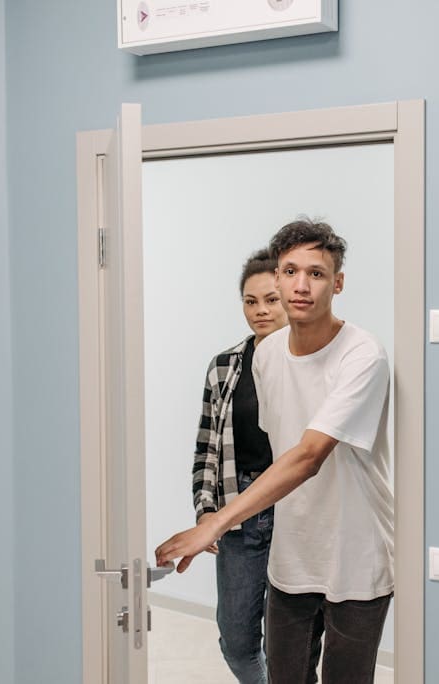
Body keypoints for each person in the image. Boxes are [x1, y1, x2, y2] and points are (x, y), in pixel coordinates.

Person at [158, 218, 394, 684]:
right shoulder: (265, 357)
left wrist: (215, 524)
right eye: (290, 271)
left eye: (316, 273)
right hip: (293, 555)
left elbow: (307, 456)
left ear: (338, 282)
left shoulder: (363, 355)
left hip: (356, 554)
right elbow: (275, 446)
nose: (300, 285)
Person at [192, 248, 288, 683]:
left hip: (295, 511)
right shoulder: (225, 366)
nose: (261, 311)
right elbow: (207, 446)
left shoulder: (311, 361)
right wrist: (205, 512)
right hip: (239, 510)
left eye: (271, 299)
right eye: (251, 301)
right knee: (236, 640)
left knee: (292, 640)